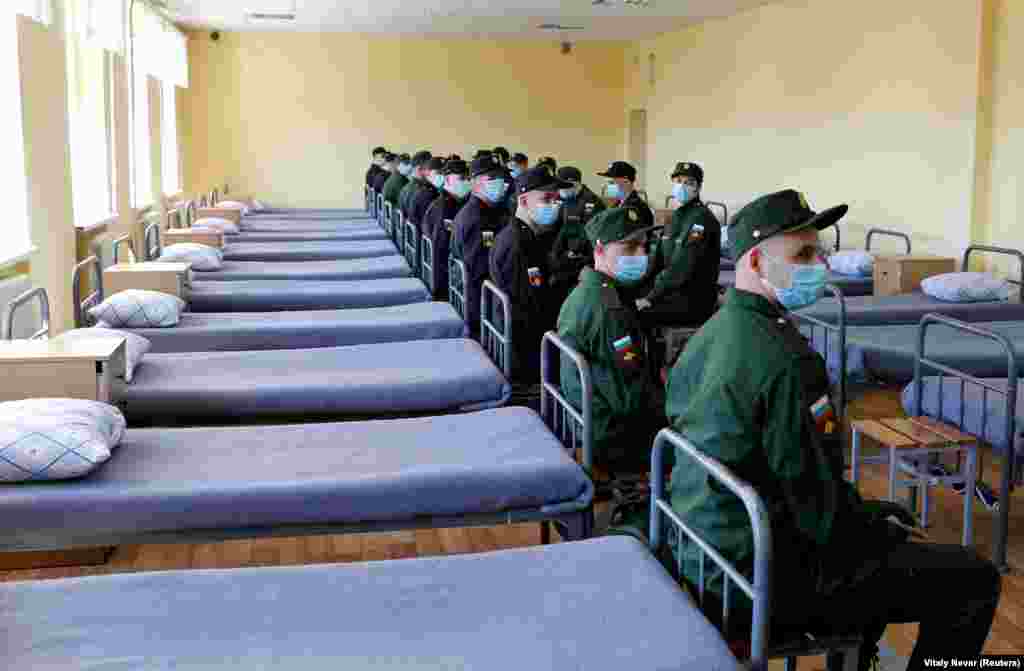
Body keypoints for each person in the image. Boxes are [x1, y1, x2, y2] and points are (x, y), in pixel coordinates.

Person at [666, 189, 1001, 670]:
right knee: (973, 580)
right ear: (757, 261)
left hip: (705, 548)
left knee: (887, 537)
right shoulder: (786, 361)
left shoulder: (713, 333)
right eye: (804, 254)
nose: (820, 264)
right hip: (763, 578)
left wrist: (865, 515)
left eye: (818, 251)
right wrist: (875, 526)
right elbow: (817, 509)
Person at [557, 206, 667, 485]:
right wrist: (674, 409)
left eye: (644, 247)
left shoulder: (587, 291)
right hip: (614, 436)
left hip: (587, 418)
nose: (641, 256)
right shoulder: (610, 311)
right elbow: (630, 400)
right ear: (600, 250)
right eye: (629, 248)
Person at [633, 161, 721, 372]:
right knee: (625, 301)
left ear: (698, 187)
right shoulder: (677, 217)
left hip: (692, 299)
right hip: (672, 292)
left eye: (688, 182)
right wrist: (635, 285)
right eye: (678, 181)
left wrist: (649, 297)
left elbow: (682, 268)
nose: (681, 186)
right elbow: (658, 260)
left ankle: (652, 374)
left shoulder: (701, 220)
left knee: (636, 314)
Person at [489, 165, 572, 386]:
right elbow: (531, 308)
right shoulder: (518, 245)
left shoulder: (527, 236)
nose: (555, 204)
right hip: (528, 354)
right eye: (547, 199)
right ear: (524, 202)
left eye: (556, 198)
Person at [451, 154, 510, 339]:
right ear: (475, 183)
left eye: (501, 179)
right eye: (492, 179)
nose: (499, 183)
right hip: (481, 307)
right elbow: (479, 272)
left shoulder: (490, 211)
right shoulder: (476, 218)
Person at [548, 166, 606, 294]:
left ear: (576, 183)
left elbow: (590, 233)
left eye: (565, 186)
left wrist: (574, 252)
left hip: (582, 259)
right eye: (560, 186)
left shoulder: (591, 202)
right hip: (563, 257)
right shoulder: (562, 198)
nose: (561, 190)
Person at [423, 158, 472, 300]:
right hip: (447, 283)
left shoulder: (455, 203)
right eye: (462, 178)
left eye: (468, 178)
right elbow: (442, 250)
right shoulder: (444, 209)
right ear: (448, 180)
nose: (466, 182)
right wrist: (443, 292)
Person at [597, 161, 653, 230]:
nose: (607, 187)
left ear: (626, 182)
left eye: (612, 183)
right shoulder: (617, 204)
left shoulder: (637, 207)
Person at [399, 150, 432, 219]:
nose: (431, 172)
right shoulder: (424, 192)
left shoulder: (406, 187)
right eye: (430, 168)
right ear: (420, 169)